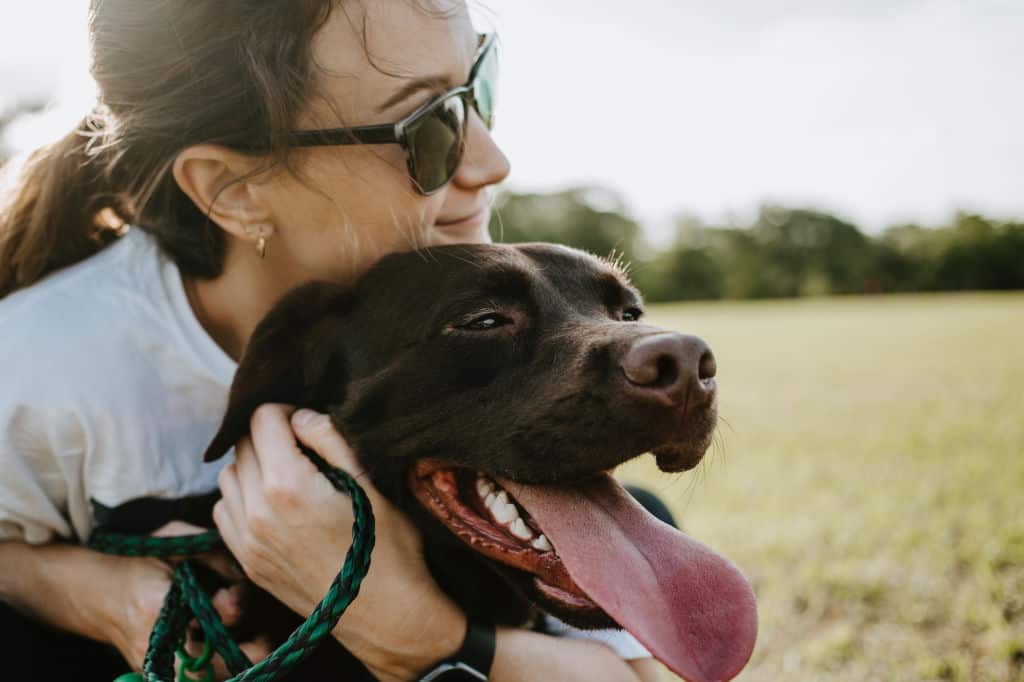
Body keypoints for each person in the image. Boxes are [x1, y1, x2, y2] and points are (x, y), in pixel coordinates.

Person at [0, 1, 663, 680]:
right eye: (428, 127)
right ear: (233, 190)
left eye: (479, 85)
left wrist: (408, 627)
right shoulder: (38, 367)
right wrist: (98, 595)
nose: (492, 160)